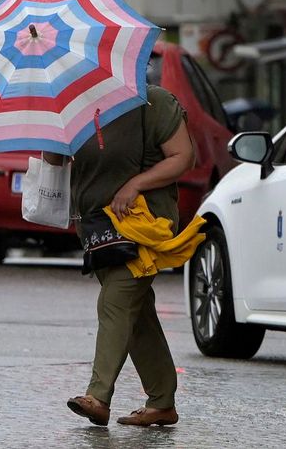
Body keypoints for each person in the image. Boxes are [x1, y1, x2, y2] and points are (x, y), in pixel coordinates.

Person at [50, 85, 195, 427]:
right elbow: (56, 160)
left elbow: (182, 157)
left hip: (144, 222)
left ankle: (98, 397)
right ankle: (161, 402)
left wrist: (135, 184)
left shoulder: (155, 102)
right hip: (99, 228)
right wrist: (52, 132)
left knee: (115, 303)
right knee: (137, 312)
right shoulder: (75, 105)